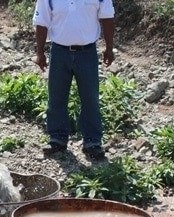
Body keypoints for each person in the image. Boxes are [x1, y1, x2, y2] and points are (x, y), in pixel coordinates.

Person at [33, 0, 115, 161]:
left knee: (90, 98)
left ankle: (92, 142)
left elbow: (107, 17)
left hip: (87, 53)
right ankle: (57, 139)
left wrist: (109, 48)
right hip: (59, 52)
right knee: (56, 97)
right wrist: (40, 52)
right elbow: (41, 21)